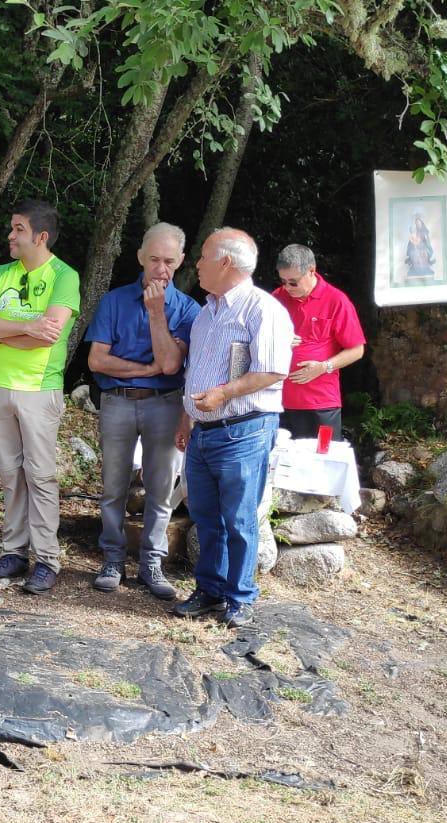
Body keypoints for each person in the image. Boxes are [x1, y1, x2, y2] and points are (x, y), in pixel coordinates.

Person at [172, 228, 293, 628]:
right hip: (204, 430)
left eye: (203, 256)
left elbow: (273, 370)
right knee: (205, 517)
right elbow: (195, 372)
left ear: (226, 262)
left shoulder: (263, 309)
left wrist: (223, 394)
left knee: (239, 519)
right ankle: (209, 590)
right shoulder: (207, 311)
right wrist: (187, 417)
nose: (197, 264)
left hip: (243, 429)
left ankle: (240, 597)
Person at [0, 200, 80, 594]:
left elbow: (49, 334)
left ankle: (47, 559)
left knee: (41, 475)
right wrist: (28, 327)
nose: (10, 236)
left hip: (38, 389)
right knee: (10, 474)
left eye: (18, 229)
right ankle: (14, 551)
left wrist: (4, 329)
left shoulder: (64, 276)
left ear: (41, 236)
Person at [86, 222, 197, 599]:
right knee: (113, 486)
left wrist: (155, 314)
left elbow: (169, 365)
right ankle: (113, 558)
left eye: (169, 261)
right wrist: (145, 369)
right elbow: (97, 360)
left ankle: (152, 561)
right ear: (140, 258)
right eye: (154, 260)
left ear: (181, 261)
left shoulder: (187, 309)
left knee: (161, 488)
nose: (161, 269)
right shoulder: (114, 301)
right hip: (117, 400)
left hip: (164, 405)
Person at [271, 244, 365, 439]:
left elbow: (357, 350)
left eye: (293, 282)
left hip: (320, 402)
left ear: (311, 271)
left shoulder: (336, 300)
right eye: (283, 281)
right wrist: (278, 341)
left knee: (323, 463)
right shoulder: (276, 298)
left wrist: (324, 367)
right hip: (277, 399)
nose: (287, 287)